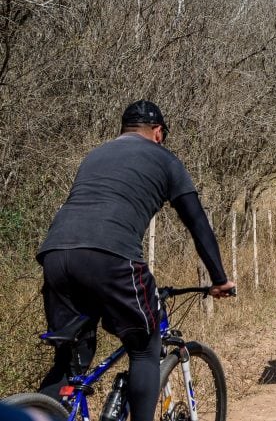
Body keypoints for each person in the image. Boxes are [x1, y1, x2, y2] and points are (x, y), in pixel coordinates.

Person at [35, 100, 236, 421]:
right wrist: (219, 278)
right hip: (112, 256)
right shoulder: (165, 159)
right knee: (143, 346)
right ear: (158, 133)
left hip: (55, 254)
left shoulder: (96, 155)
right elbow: (197, 223)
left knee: (70, 358)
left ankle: (45, 409)